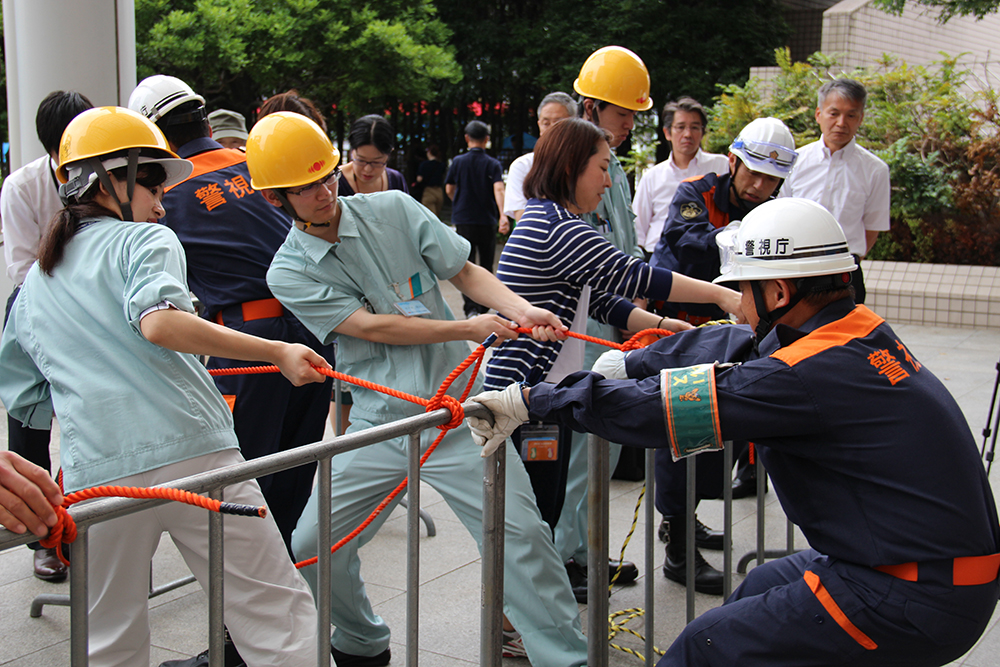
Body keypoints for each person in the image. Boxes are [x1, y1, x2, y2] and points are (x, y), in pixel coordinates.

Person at [470, 197, 1000, 667]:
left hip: (911, 593)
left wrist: (535, 400)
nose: (739, 306)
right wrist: (632, 365)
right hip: (921, 567)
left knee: (706, 646)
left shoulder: (805, 375)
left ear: (777, 291)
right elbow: (732, 346)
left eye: (743, 290)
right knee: (763, 587)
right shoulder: (853, 329)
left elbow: (666, 411)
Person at [248, 111, 589, 667]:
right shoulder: (287, 272)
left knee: (521, 539)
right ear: (275, 199)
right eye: (304, 187)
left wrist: (522, 308)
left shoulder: (395, 208)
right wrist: (468, 326)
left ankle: (565, 658)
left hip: (458, 415)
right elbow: (373, 327)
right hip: (379, 423)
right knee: (313, 547)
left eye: (327, 175)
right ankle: (361, 640)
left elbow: (465, 272)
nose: (322, 191)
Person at [0, 106, 326, 667]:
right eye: (152, 181)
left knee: (108, 640)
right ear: (109, 181)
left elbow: (26, 400)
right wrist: (275, 350)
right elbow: (160, 320)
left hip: (96, 476)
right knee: (276, 618)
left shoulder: (33, 288)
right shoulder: (144, 242)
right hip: (197, 455)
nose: (163, 199)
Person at [485, 118, 742, 602]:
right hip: (523, 401)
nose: (607, 180)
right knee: (532, 515)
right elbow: (637, 276)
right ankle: (514, 618)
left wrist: (664, 327)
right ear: (570, 168)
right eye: (601, 168)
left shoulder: (556, 222)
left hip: (543, 395)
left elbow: (599, 299)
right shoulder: (555, 227)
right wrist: (724, 299)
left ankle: (534, 606)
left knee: (546, 505)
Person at [128, 75, 333, 557]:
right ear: (203, 119)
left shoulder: (166, 196)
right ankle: (286, 587)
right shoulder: (256, 168)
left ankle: (243, 615)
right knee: (295, 470)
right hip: (312, 334)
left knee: (243, 481)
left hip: (249, 347)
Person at [648, 116, 798, 593]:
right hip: (683, 332)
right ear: (732, 161)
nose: (759, 185)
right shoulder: (698, 192)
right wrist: (737, 235)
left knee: (719, 437)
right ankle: (676, 548)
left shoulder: (778, 209)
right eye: (751, 172)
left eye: (770, 178)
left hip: (735, 338)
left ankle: (686, 520)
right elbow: (685, 244)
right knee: (682, 433)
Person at [554, 45, 650, 601]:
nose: (629, 123)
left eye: (634, 114)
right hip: (583, 333)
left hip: (615, 326)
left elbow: (627, 251)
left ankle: (586, 550)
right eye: (621, 113)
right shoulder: (576, 169)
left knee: (604, 451)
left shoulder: (614, 167)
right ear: (590, 107)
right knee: (580, 452)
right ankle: (567, 558)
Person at [1, 89, 92, 583]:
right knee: (30, 422)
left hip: (96, 312)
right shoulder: (22, 186)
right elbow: (19, 267)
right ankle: (41, 540)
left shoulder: (107, 177)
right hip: (35, 309)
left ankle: (90, 515)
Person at [780, 78, 890, 304]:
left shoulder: (875, 170)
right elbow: (781, 214)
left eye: (851, 115)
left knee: (845, 337)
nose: (841, 122)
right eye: (834, 113)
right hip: (796, 268)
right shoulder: (794, 162)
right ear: (818, 114)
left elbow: (872, 227)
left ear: (861, 119)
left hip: (845, 272)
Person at [632, 97, 729, 260]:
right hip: (659, 257)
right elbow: (637, 229)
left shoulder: (721, 166)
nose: (688, 134)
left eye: (695, 127)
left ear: (703, 132)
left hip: (707, 254)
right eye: (681, 127)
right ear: (667, 133)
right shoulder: (652, 176)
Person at [445, 119, 506, 318]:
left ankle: (470, 309)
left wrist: (459, 201)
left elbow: (449, 188)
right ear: (486, 139)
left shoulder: (458, 162)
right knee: (487, 264)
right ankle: (484, 307)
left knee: (467, 265)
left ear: (466, 138)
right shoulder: (493, 164)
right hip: (486, 219)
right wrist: (503, 214)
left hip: (464, 219)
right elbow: (498, 188)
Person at [503, 92, 577, 222]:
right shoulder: (523, 166)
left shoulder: (586, 163)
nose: (552, 129)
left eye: (558, 123)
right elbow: (522, 217)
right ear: (539, 125)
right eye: (546, 123)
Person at [339, 114, 409, 196]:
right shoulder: (333, 182)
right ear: (352, 152)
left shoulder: (396, 180)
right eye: (361, 160)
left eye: (376, 162)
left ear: (388, 154)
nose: (367, 169)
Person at [415, 144, 446, 218]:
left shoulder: (424, 165)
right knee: (437, 216)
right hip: (439, 191)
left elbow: (419, 179)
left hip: (428, 191)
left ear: (429, 152)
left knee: (429, 217)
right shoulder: (441, 165)